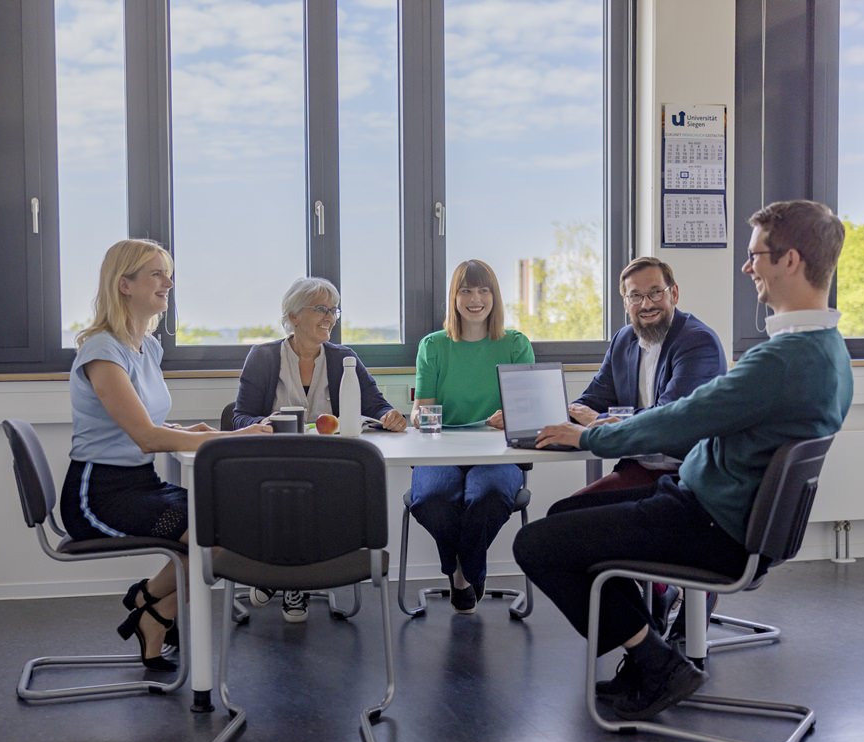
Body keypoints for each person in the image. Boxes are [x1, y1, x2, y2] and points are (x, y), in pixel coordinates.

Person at [513, 200, 853, 721]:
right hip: (706, 507)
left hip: (710, 524)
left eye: (755, 254)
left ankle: (658, 664)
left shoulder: (782, 360)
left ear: (790, 259)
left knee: (536, 542)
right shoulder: (827, 349)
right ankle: (650, 658)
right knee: (566, 522)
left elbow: (681, 418)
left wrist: (586, 440)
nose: (747, 267)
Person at [60, 239, 270, 671]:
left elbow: (151, 425)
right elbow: (146, 438)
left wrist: (190, 431)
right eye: (156, 274)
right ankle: (150, 602)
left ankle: (153, 612)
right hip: (98, 495)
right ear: (124, 285)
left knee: (226, 523)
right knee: (209, 535)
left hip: (141, 483)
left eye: (167, 273)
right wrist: (235, 437)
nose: (168, 283)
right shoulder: (102, 351)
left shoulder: (147, 347)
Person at [233, 276, 406, 621]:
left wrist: (390, 416)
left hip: (328, 467)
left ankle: (279, 577)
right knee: (290, 494)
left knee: (313, 495)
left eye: (334, 310)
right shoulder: (264, 357)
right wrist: (264, 423)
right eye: (321, 309)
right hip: (275, 465)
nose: (330, 317)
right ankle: (288, 580)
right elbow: (239, 418)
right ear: (294, 316)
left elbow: (375, 405)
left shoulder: (344, 358)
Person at [571, 256, 727, 634]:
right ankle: (655, 598)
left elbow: (666, 421)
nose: (647, 304)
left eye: (655, 292)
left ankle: (687, 601)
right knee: (568, 518)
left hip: (690, 477)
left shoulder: (697, 342)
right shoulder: (624, 340)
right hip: (641, 469)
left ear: (674, 293)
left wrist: (597, 423)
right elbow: (591, 401)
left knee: (610, 527)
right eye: (635, 296)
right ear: (625, 302)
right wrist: (545, 421)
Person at [410, 258, 534, 614]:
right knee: (431, 498)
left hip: (499, 453)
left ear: (494, 297)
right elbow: (423, 409)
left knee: (490, 495)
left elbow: (528, 410)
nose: (475, 298)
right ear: (454, 297)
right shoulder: (432, 346)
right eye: (466, 290)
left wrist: (510, 416)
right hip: (441, 452)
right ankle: (467, 571)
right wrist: (420, 416)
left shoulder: (515, 344)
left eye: (483, 290)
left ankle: (462, 574)